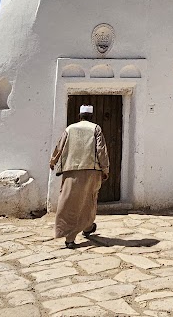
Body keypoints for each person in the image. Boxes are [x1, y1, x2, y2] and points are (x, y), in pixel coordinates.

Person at [49, 104, 110, 249]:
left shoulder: (69, 129)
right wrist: (105, 168)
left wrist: (53, 160)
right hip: (91, 170)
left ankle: (82, 230)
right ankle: (79, 231)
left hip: (71, 170)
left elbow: (60, 146)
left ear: (79, 116)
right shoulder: (95, 128)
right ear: (91, 116)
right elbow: (101, 150)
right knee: (89, 200)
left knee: (70, 202)